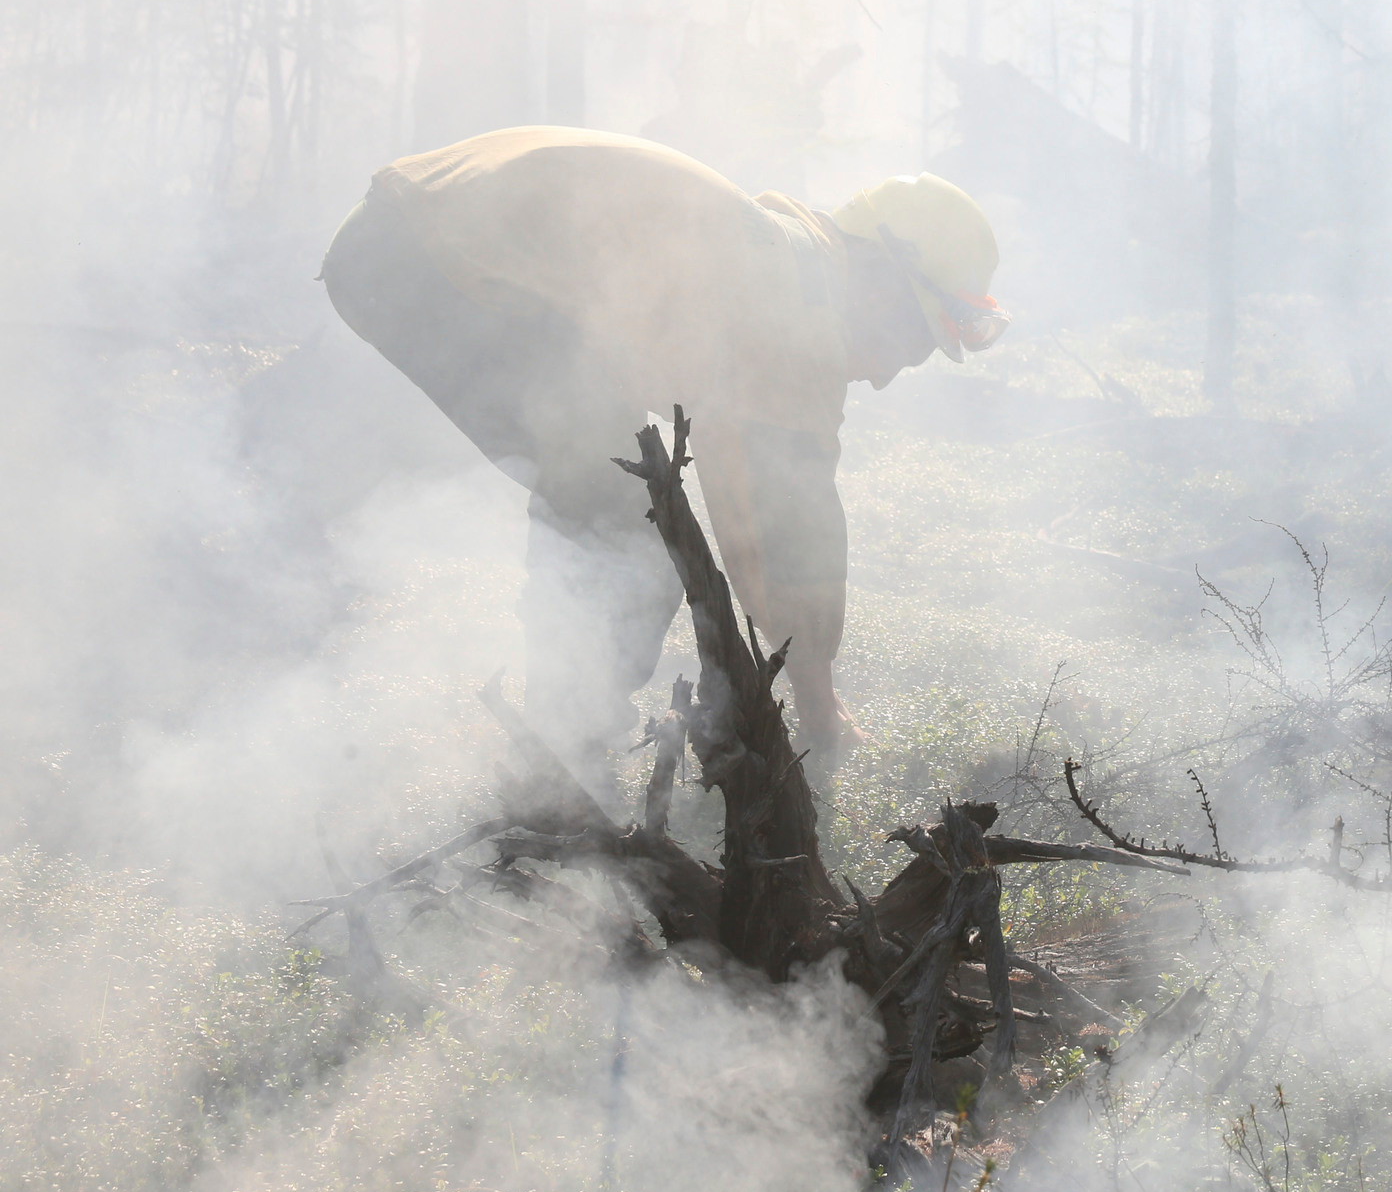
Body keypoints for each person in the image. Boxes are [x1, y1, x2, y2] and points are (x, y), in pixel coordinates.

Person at [320, 126, 1005, 775]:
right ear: (885, 279)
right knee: (631, 530)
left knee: (617, 498)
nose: (887, 374)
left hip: (414, 236)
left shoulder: (780, 258)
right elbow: (786, 522)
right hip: (426, 256)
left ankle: (566, 742)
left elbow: (746, 491)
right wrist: (820, 705)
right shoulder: (803, 305)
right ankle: (563, 761)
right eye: (914, 343)